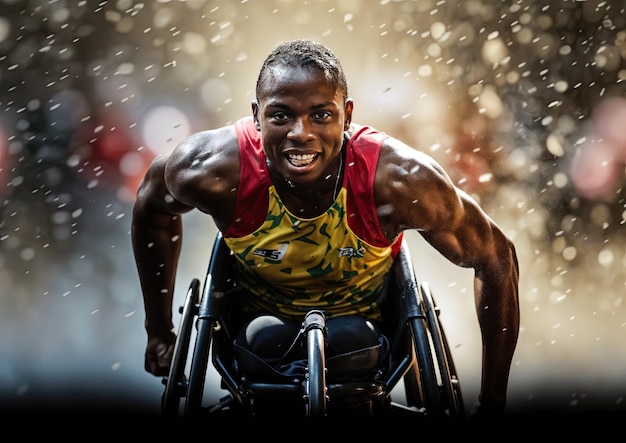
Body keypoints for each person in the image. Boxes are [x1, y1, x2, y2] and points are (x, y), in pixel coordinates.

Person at [131, 39, 520, 417]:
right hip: (258, 323)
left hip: (367, 326)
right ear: (256, 116)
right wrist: (159, 330)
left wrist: (491, 403)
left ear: (347, 116)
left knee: (354, 340)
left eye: (321, 115)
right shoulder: (211, 169)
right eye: (281, 115)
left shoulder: (400, 180)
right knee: (264, 341)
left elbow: (497, 257)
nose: (301, 133)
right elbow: (151, 210)